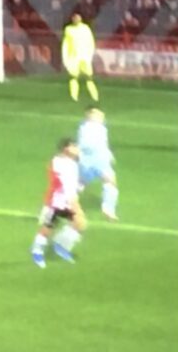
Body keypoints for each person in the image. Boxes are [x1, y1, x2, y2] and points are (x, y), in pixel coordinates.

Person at [31, 138, 86, 269]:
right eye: (75, 146)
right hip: (56, 201)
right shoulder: (58, 163)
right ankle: (37, 251)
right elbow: (62, 183)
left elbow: (70, 181)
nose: (78, 149)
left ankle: (61, 246)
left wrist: (78, 185)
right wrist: (73, 200)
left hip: (68, 199)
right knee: (48, 227)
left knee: (80, 224)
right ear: (66, 149)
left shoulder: (72, 163)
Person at [77, 107, 119, 221]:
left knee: (79, 184)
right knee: (110, 183)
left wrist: (109, 154)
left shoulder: (91, 128)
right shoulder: (92, 127)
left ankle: (108, 209)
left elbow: (101, 144)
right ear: (89, 116)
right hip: (95, 160)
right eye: (98, 115)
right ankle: (108, 209)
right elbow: (93, 145)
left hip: (91, 160)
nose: (101, 117)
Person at [61, 13, 99, 102]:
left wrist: (90, 54)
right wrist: (66, 57)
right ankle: (74, 96)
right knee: (74, 77)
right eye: (74, 18)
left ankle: (94, 95)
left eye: (78, 18)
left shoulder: (85, 28)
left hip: (85, 56)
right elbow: (66, 44)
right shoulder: (69, 29)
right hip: (74, 57)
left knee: (89, 77)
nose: (76, 20)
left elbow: (90, 41)